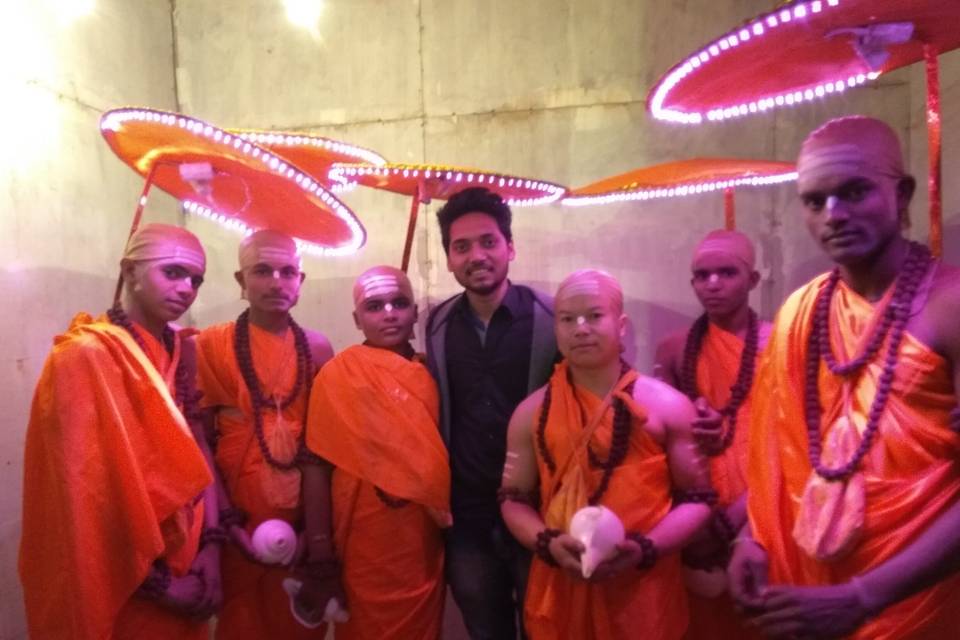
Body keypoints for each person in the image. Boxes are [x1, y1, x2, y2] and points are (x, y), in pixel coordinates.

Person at [729, 116, 960, 639]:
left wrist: (862, 598)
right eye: (815, 201)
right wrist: (752, 538)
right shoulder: (799, 313)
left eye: (855, 191)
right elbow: (775, 453)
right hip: (807, 592)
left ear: (902, 194)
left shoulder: (951, 307)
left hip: (922, 595)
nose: (834, 214)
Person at [20, 223, 220, 639]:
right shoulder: (84, 357)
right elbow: (84, 497)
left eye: (196, 279)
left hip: (187, 557)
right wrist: (162, 586)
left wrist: (211, 549)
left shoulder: (181, 350)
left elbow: (198, 449)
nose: (187, 288)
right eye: (173, 272)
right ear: (129, 272)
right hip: (124, 576)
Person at [500, 269, 712, 639]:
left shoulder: (667, 406)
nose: (580, 329)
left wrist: (646, 548)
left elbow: (699, 499)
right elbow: (512, 499)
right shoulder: (531, 413)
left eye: (595, 316)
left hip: (645, 591)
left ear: (622, 325)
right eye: (567, 319)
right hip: (561, 584)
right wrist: (548, 543)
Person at [425, 187, 557, 638]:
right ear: (448, 258)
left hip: (540, 508)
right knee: (486, 631)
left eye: (488, 242)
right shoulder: (438, 324)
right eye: (461, 246)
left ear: (510, 247)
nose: (476, 256)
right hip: (468, 516)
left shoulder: (549, 317)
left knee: (547, 627)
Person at [297, 265, 450, 639]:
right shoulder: (338, 374)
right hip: (362, 535)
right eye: (374, 306)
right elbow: (317, 462)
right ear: (356, 319)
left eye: (400, 303)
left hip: (419, 534)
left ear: (415, 312)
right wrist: (319, 550)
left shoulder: (433, 374)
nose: (389, 314)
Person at [195, 229, 333, 639]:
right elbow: (199, 440)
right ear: (241, 281)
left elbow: (324, 446)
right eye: (262, 271)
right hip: (235, 508)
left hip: (301, 508)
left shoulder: (318, 348)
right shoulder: (210, 345)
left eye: (288, 271)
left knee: (296, 620)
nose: (277, 282)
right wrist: (222, 520)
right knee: (241, 622)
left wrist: (317, 530)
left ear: (300, 282)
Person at [654, 230, 770, 638]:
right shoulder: (673, 349)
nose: (713, 284)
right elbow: (660, 433)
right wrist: (691, 412)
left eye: (727, 273)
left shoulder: (779, 341)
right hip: (698, 500)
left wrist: (742, 513)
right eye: (702, 275)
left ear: (753, 280)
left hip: (765, 494)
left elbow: (794, 429)